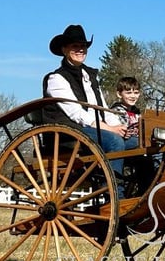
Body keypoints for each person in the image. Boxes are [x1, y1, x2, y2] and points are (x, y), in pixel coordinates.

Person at [42, 24, 133, 198]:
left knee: (137, 143)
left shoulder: (90, 77)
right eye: (75, 46)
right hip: (70, 133)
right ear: (64, 49)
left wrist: (120, 127)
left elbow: (103, 108)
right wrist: (110, 129)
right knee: (115, 142)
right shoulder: (56, 79)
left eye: (83, 46)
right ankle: (114, 198)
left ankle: (142, 197)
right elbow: (77, 113)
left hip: (97, 130)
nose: (80, 50)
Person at [109, 76, 142, 150]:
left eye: (136, 93)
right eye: (128, 93)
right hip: (123, 141)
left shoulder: (137, 112)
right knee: (140, 142)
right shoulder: (116, 111)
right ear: (119, 94)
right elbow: (119, 129)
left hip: (137, 139)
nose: (133, 96)